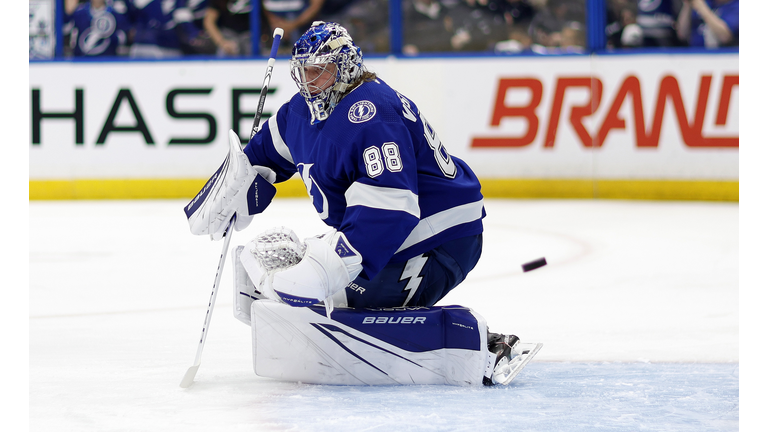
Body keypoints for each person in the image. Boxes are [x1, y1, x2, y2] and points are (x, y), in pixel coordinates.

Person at [185, 21, 541, 386]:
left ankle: (477, 344)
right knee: (268, 274)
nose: (309, 82)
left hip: (439, 239)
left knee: (327, 295)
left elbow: (390, 208)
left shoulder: (371, 114)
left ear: (346, 67)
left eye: (320, 71)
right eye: (303, 72)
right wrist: (234, 184)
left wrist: (329, 267)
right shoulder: (301, 112)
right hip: (397, 237)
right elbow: (263, 156)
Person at [63, 0, 130, 57]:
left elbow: (124, 36)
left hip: (107, 61)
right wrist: (68, 13)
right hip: (82, 62)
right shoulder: (79, 13)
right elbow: (65, 30)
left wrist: (109, 35)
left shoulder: (115, 14)